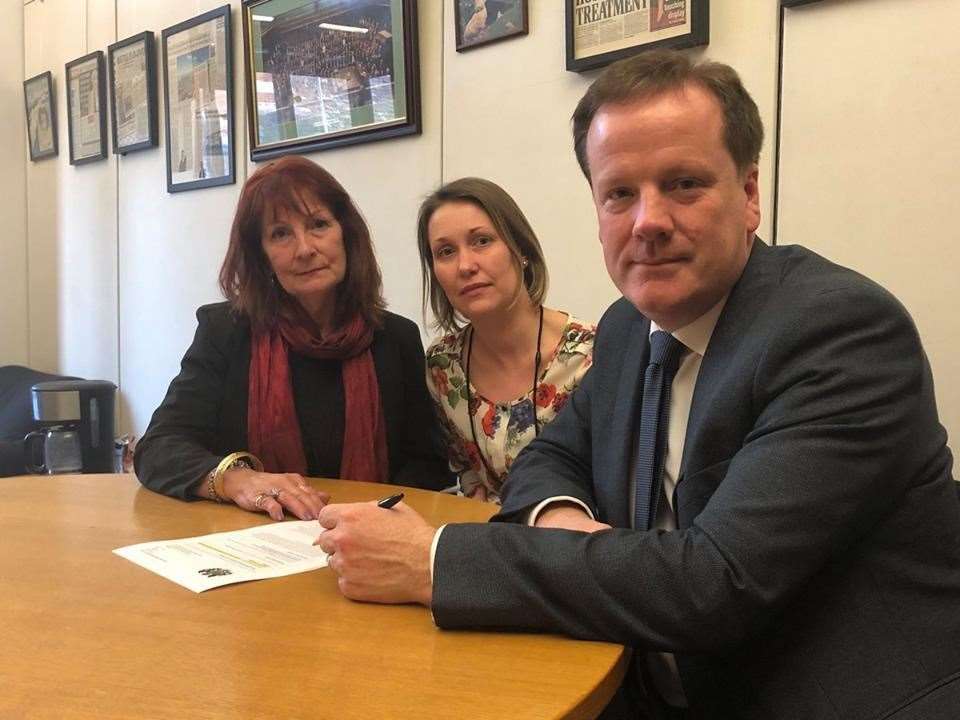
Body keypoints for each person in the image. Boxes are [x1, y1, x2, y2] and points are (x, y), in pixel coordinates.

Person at [314, 51, 960, 718]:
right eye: (619, 193)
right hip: (640, 677)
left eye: (682, 183)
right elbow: (552, 458)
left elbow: (714, 585)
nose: (647, 221)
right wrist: (562, 523)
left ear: (748, 196)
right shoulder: (628, 328)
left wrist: (434, 561)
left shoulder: (841, 331)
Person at [136, 155, 451, 521]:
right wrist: (237, 480)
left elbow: (427, 465)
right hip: (252, 539)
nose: (304, 249)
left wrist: (376, 516)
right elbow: (158, 448)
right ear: (261, 255)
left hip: (367, 538)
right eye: (280, 233)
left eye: (318, 224)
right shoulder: (226, 331)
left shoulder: (395, 338)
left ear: (346, 234)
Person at [417, 177, 595, 502]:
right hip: (489, 540)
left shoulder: (591, 354)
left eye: (482, 241)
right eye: (445, 252)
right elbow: (466, 473)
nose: (466, 265)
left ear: (521, 250)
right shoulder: (442, 367)